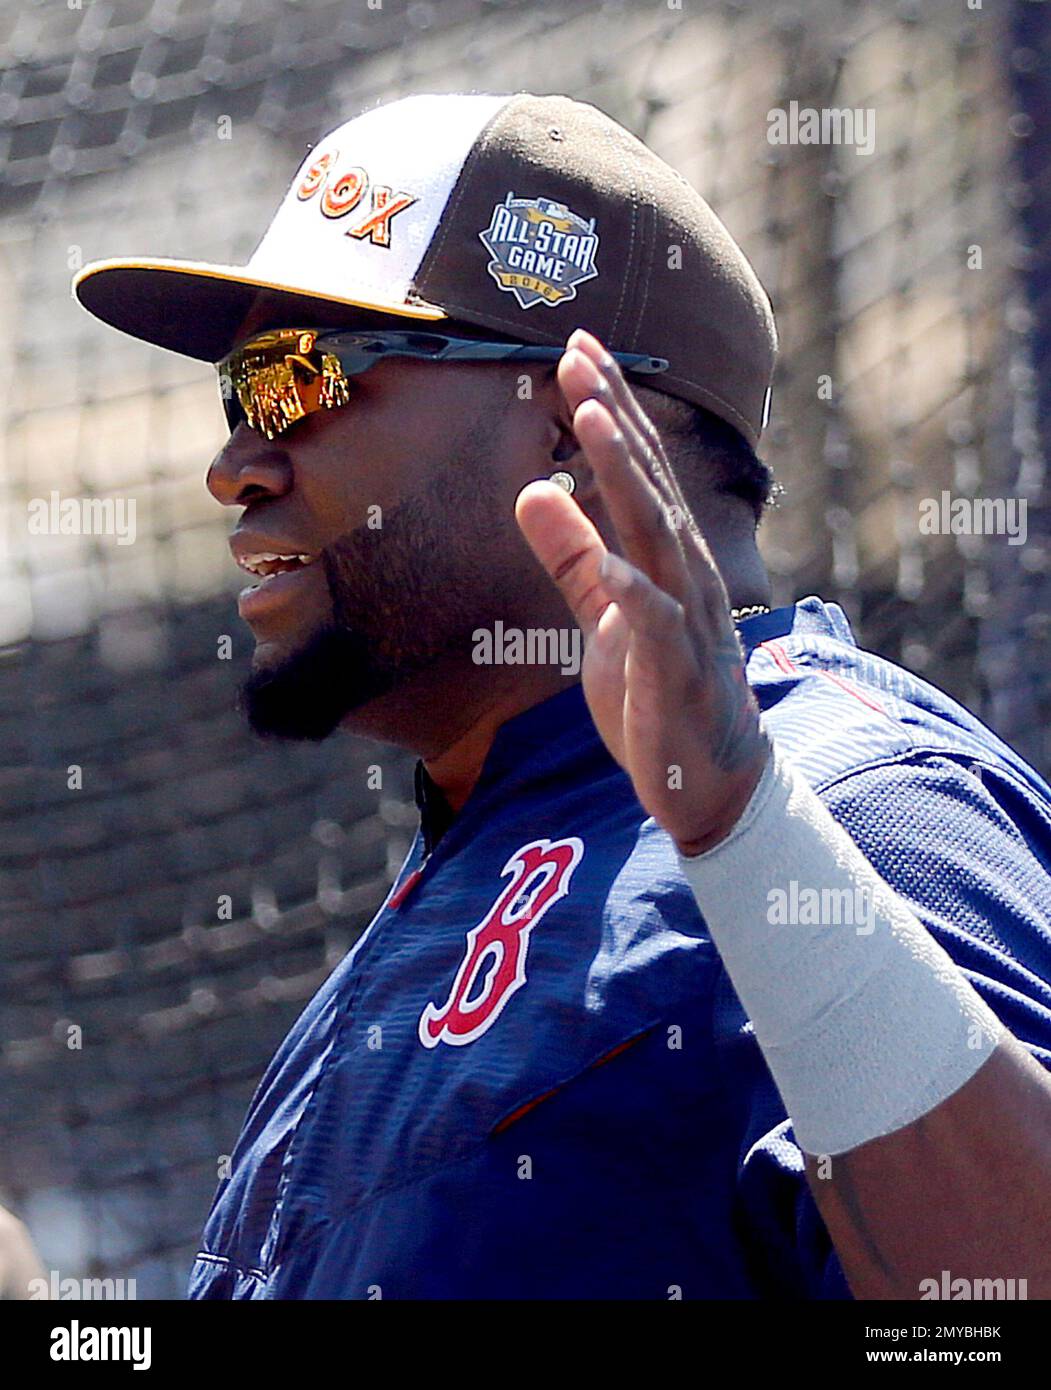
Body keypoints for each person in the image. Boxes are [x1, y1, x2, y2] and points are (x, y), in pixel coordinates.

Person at [74, 93, 1051, 1300]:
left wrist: (745, 830)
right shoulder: (428, 914)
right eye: (238, 395)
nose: (235, 461)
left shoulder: (850, 803)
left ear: (568, 432)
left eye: (295, 380)